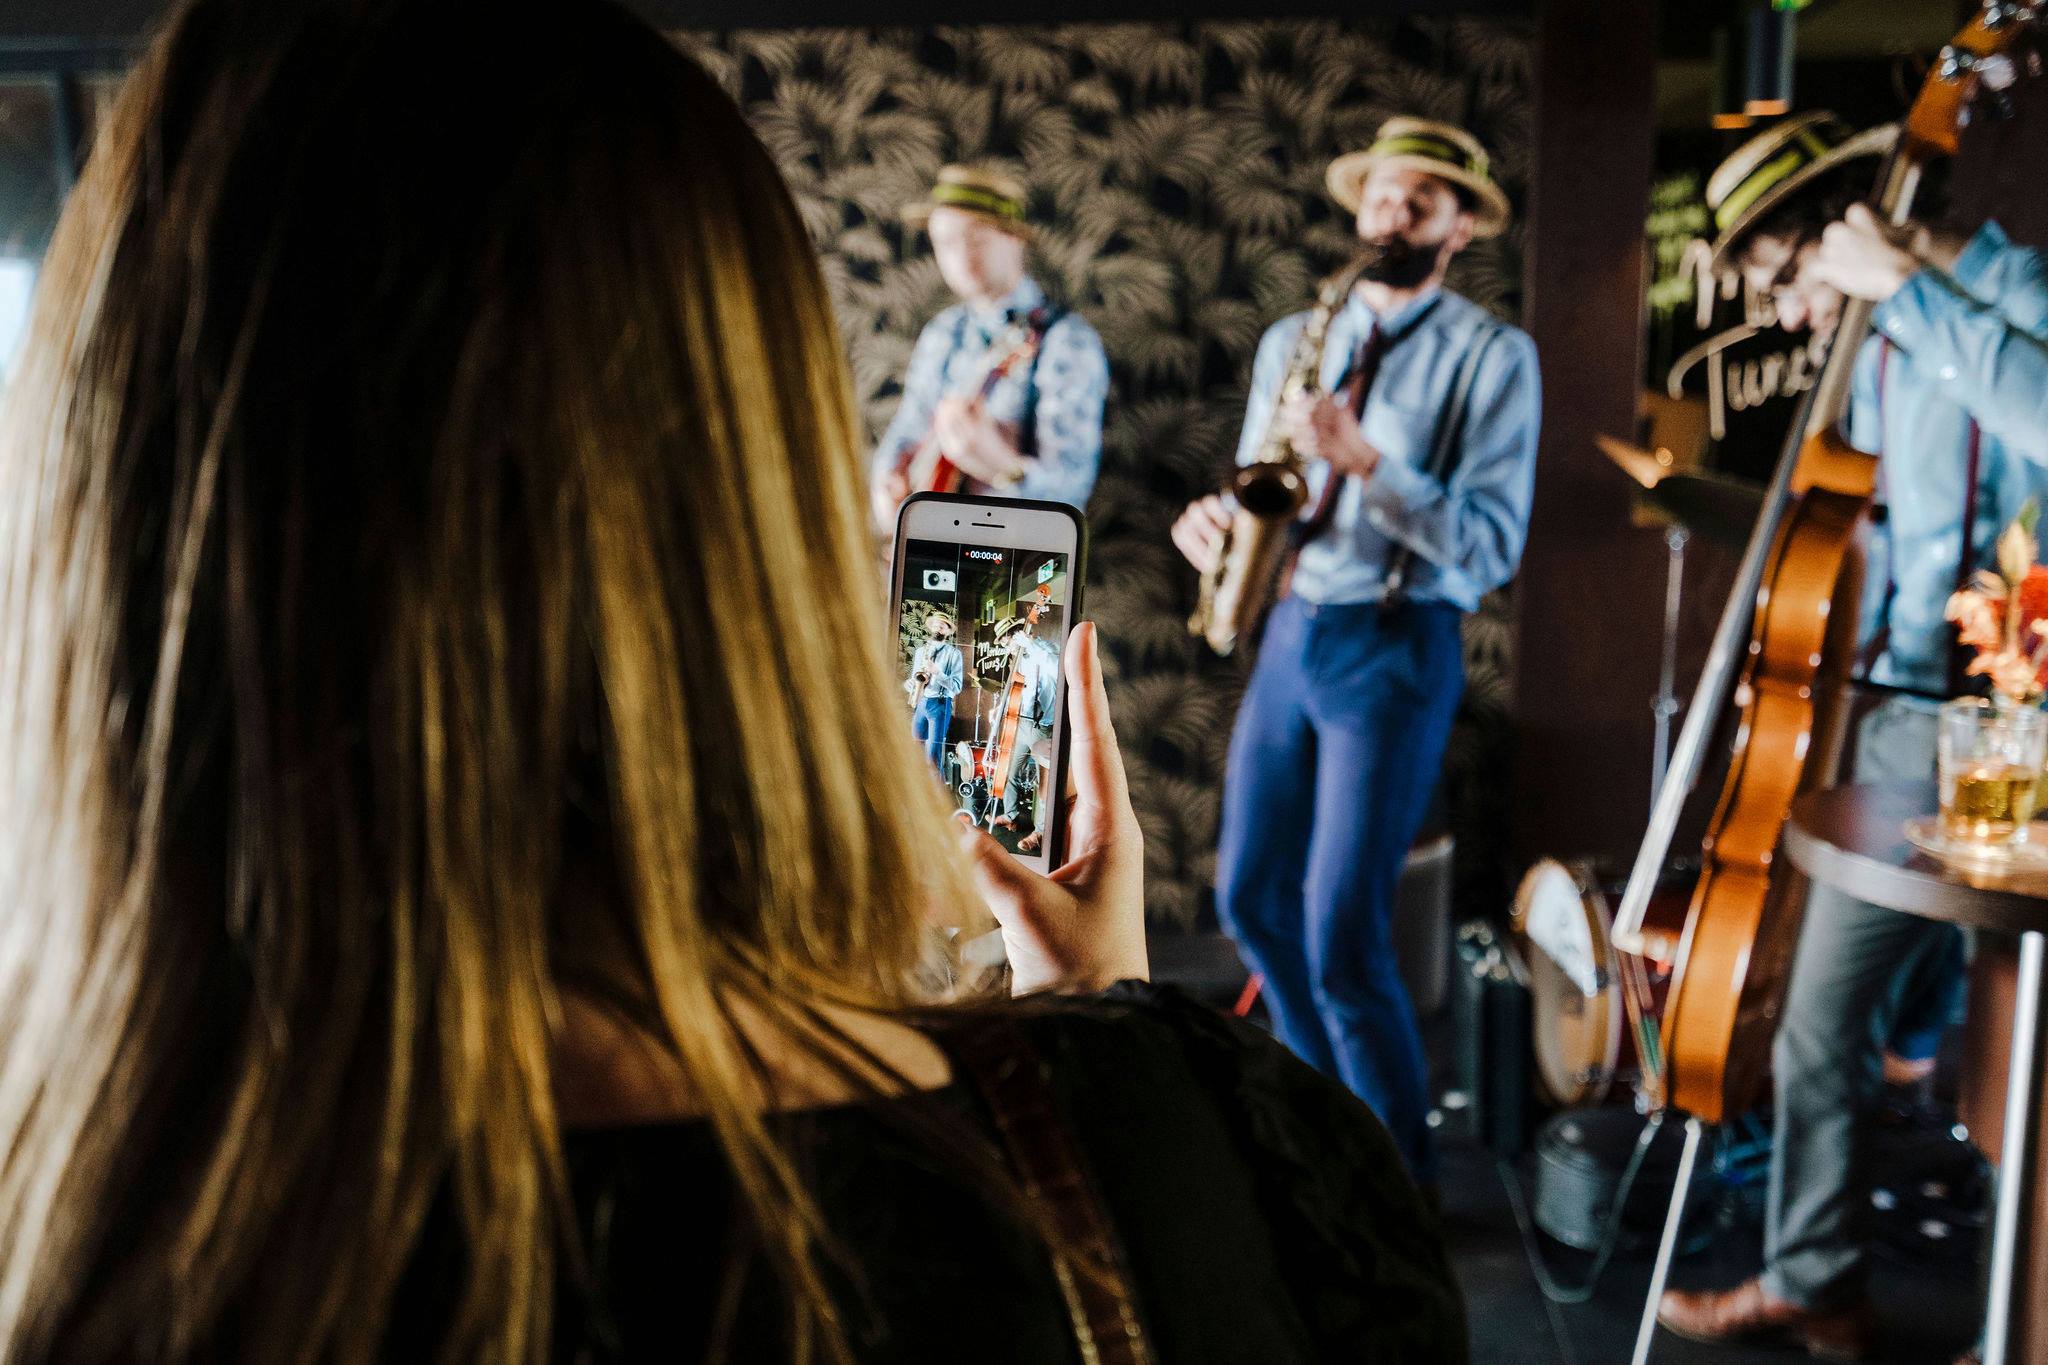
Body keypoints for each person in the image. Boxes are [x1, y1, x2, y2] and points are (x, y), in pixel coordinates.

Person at [0, 2, 1469, 1361]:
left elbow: (1067, 483)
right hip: (1248, 688)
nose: (955, 259)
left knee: (1327, 924)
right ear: (748, 497)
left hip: (1370, 625)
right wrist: (1097, 1061)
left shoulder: (70, 1226)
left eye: (971, 238)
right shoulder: (1174, 1175)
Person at [1658, 113, 2048, 1361]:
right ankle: (1814, 1277)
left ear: (1839, 226)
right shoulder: (1871, 342)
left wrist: (1908, 292)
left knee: (2011, 1046)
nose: (1782, 308)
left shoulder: (2005, 293)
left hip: (2014, 728)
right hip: (1885, 720)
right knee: (1823, 1011)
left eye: (1784, 274)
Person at [1172, 117, 1542, 1188]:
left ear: (1459, 226)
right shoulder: (1301, 332)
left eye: (1421, 202)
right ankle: (1323, 1120)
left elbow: (1486, 544)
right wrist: (1213, 525)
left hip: (1393, 642)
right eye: (1383, 196)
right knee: (1245, 900)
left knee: (1341, 937)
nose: (1394, 216)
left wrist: (1366, 459)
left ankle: (1397, 1181)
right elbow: (1258, 485)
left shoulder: (1492, 357)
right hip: (1292, 630)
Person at [867, 165, 1108, 528]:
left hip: (1016, 564)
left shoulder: (1067, 340)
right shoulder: (942, 331)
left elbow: (1070, 494)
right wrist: (887, 482)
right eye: (945, 243)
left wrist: (1003, 468)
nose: (960, 257)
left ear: (1014, 238)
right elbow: (908, 426)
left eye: (976, 238)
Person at [985, 615, 1062, 852]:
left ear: (1018, 633)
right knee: (1008, 769)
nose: (1006, 646)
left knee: (1044, 783)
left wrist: (1030, 644)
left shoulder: (1044, 649)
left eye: (1006, 640)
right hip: (1020, 722)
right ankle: (1011, 815)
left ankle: (1039, 832)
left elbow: (1058, 670)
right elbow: (1019, 688)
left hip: (1042, 726)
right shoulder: (1018, 658)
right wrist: (1001, 707)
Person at [907, 608, 965, 773]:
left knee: (932, 758)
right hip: (921, 702)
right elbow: (915, 678)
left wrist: (937, 673)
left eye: (942, 626)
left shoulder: (954, 654)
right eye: (935, 625)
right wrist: (909, 684)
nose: (938, 628)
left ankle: (934, 795)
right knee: (915, 751)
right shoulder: (920, 652)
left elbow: (957, 686)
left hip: (940, 705)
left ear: (948, 631)